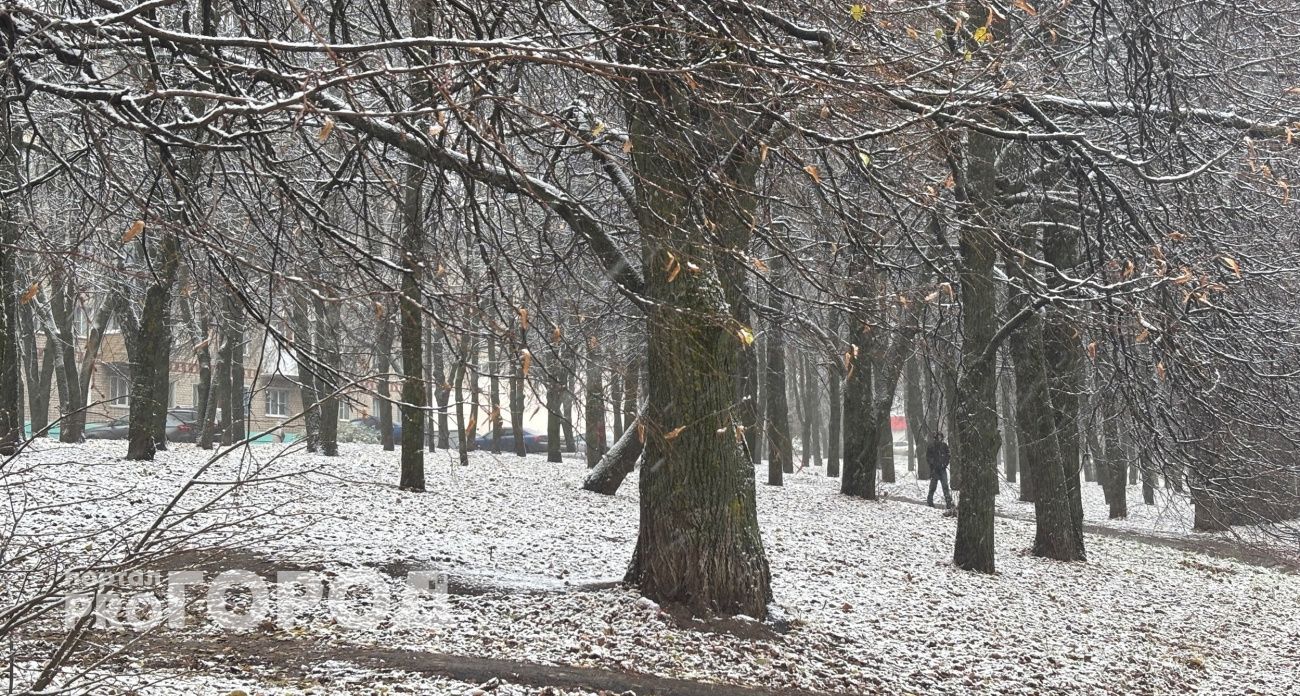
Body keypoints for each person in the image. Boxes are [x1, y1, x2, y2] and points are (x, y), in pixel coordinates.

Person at [926, 431, 953, 509]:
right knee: (933, 486)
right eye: (938, 437)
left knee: (945, 486)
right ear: (935, 438)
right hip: (935, 469)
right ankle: (929, 500)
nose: (939, 438)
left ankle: (948, 502)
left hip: (942, 469)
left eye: (940, 437)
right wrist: (933, 463)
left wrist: (944, 464)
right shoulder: (931, 446)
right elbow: (928, 457)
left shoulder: (944, 446)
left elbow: (948, 456)